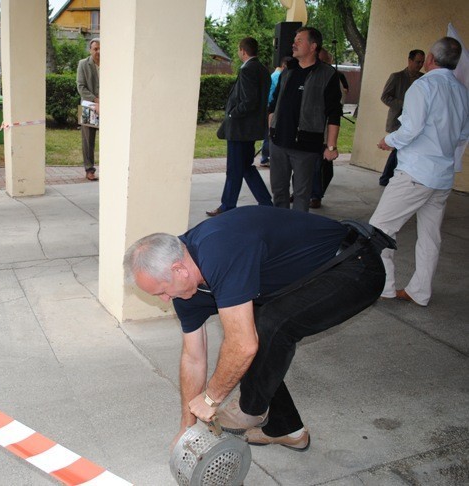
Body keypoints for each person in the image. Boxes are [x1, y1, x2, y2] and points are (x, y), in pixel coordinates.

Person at [123, 206, 387, 451]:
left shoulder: (219, 249)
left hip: (353, 264)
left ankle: (251, 409)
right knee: (247, 337)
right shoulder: (185, 289)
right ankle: (286, 429)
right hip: (300, 280)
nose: (164, 300)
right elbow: (193, 358)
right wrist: (187, 427)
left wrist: (211, 398)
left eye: (162, 292)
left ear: (178, 269)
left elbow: (244, 345)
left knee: (260, 329)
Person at [370, 37, 468, 307]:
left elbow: (410, 130)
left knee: (380, 229)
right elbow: (463, 134)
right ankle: (420, 291)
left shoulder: (422, 86)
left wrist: (387, 141)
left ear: (430, 60)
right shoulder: (462, 91)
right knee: (430, 236)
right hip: (442, 176)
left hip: (416, 173)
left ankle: (385, 288)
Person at [268, 27, 342, 212]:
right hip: (279, 142)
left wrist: (331, 146)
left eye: (299, 40)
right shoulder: (288, 71)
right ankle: (281, 229)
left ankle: (297, 234)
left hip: (306, 146)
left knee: (302, 194)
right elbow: (274, 102)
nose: (294, 43)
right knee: (279, 191)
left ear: (313, 46)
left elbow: (334, 112)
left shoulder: (327, 74)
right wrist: (272, 128)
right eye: (295, 39)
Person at [207, 37, 272, 217]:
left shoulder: (248, 69)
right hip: (250, 130)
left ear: (243, 51)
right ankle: (266, 202)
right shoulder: (262, 69)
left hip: (240, 129)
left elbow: (249, 101)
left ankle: (227, 206)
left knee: (234, 169)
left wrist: (231, 114)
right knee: (245, 167)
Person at [378, 49, 425, 186]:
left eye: (422, 62)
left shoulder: (424, 79)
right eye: (417, 62)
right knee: (398, 148)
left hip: (416, 120)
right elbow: (385, 97)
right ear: (409, 61)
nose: (420, 65)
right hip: (398, 120)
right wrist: (404, 104)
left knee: (402, 150)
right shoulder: (397, 77)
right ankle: (386, 178)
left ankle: (391, 177)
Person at [308, 49, 348, 209]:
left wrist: (331, 144)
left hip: (322, 130)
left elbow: (338, 105)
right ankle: (302, 192)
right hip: (306, 129)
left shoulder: (333, 77)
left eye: (325, 61)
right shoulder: (307, 73)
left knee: (319, 166)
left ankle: (315, 195)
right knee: (303, 164)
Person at [259, 57, 291, 168]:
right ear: (284, 66)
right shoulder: (279, 76)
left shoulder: (273, 75)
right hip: (272, 108)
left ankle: (265, 156)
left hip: (268, 106)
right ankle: (266, 157)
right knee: (270, 132)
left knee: (269, 132)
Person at [77, 38, 100, 181]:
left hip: (109, 106)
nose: (98, 51)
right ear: (90, 50)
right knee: (87, 140)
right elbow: (80, 86)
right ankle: (89, 170)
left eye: (100, 48)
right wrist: (96, 100)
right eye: (95, 49)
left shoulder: (112, 63)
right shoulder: (83, 64)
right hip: (88, 105)